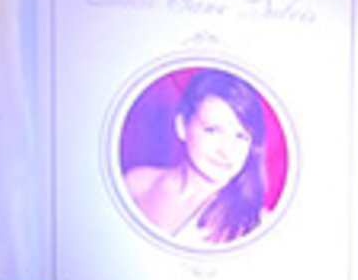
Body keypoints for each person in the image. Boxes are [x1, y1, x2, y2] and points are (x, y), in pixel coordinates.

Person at [119, 68, 278, 247]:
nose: (227, 151)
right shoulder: (137, 184)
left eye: (241, 136)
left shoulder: (259, 226)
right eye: (212, 130)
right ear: (182, 126)